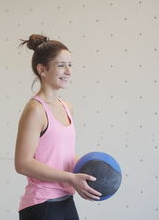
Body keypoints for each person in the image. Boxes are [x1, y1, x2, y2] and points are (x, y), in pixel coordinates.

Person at [14, 34, 102, 220]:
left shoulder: (67, 107)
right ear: (42, 70)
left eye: (70, 65)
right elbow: (22, 163)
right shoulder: (35, 109)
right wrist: (70, 178)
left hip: (65, 200)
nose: (68, 71)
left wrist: (91, 166)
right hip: (42, 204)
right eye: (61, 65)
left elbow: (61, 155)